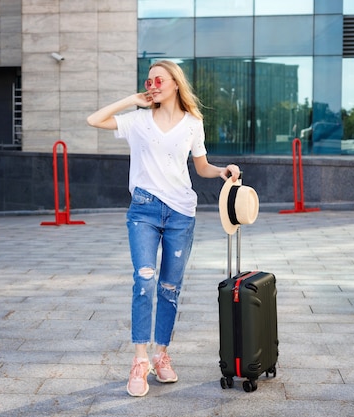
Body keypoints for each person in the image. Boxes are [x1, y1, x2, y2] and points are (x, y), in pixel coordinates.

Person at [86, 60, 240, 397]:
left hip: (181, 212)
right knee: (144, 279)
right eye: (149, 80)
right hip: (144, 208)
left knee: (169, 288)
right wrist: (131, 99)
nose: (153, 84)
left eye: (159, 79)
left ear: (174, 83)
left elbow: (200, 167)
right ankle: (139, 359)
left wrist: (222, 171)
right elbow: (93, 120)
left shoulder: (193, 123)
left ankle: (161, 354)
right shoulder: (138, 121)